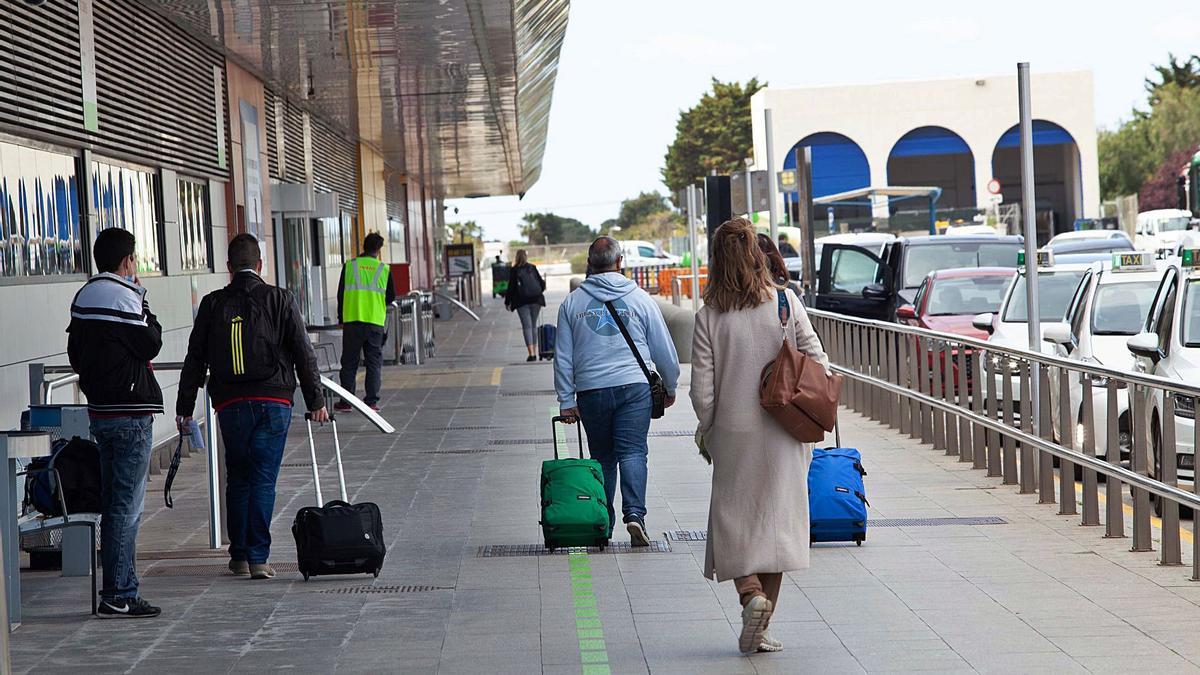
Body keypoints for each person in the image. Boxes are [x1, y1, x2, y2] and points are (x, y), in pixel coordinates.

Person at [691, 217, 830, 654]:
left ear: (716, 260)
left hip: (734, 432)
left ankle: (750, 594)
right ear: (756, 254)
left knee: (733, 519)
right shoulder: (785, 303)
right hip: (785, 430)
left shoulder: (709, 316)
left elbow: (702, 391)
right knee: (777, 525)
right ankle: (763, 621)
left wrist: (709, 429)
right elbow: (818, 360)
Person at [177, 234, 329, 580]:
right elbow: (304, 353)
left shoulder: (213, 304)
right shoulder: (280, 298)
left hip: (230, 404)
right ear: (260, 265)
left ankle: (240, 555)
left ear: (229, 268)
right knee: (263, 478)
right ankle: (258, 557)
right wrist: (317, 400)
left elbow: (195, 358)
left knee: (238, 476)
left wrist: (185, 406)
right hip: (273, 401)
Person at [554, 236, 680, 546]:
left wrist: (566, 400)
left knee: (603, 457)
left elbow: (563, 356)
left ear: (589, 264)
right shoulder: (639, 298)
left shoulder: (572, 303)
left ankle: (602, 522)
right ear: (620, 262)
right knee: (633, 451)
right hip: (634, 387)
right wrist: (671, 384)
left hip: (591, 390)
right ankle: (635, 515)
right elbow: (663, 348)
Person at [67, 228, 164, 618]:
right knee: (126, 507)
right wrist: (141, 296)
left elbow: (76, 354)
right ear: (127, 261)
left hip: (101, 413)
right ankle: (120, 593)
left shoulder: (83, 295)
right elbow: (151, 341)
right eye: (134, 260)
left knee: (113, 504)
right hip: (130, 414)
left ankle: (117, 589)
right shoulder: (125, 297)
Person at [336, 232, 395, 412]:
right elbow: (390, 296)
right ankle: (371, 402)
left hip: (352, 320)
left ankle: (346, 402)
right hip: (375, 322)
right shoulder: (384, 269)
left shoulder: (350, 266)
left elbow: (341, 295)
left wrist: (341, 318)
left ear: (363, 246)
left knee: (349, 362)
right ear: (378, 249)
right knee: (373, 362)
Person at [504, 249, 546, 361]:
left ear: (517, 257)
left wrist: (507, 302)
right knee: (533, 326)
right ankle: (536, 352)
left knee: (527, 326)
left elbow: (511, 288)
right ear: (526, 257)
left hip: (521, 301)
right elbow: (541, 284)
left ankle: (531, 354)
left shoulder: (514, 270)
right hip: (536, 300)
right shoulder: (532, 268)